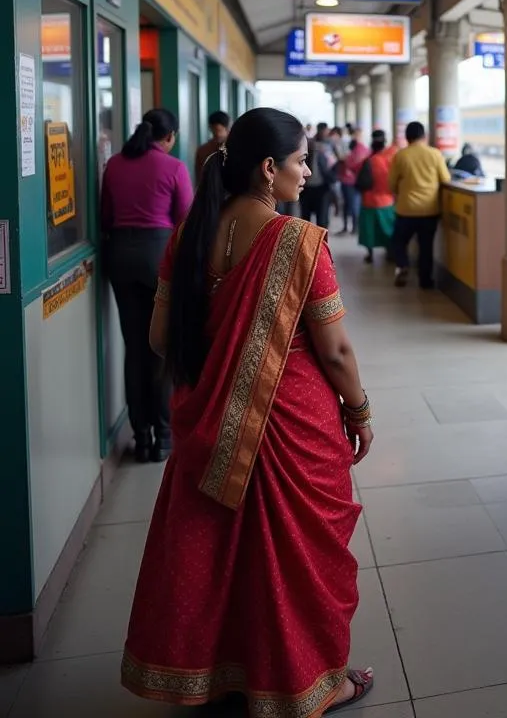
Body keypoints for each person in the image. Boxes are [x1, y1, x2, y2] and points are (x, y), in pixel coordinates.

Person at [121, 107, 375, 715]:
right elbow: (336, 349)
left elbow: (159, 339)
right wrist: (360, 411)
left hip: (206, 417)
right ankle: (312, 682)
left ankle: (221, 678)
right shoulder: (297, 241)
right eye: (300, 161)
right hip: (291, 427)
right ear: (269, 169)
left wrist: (225, 357)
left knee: (215, 555)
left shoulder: (186, 235)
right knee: (290, 561)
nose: (308, 173)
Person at [101, 108, 193, 463]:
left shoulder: (116, 165)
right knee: (162, 348)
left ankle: (140, 436)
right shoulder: (173, 167)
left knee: (134, 348)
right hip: (159, 257)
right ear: (169, 137)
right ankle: (165, 436)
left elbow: (106, 217)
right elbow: (186, 219)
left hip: (121, 256)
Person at [389, 121, 451, 289]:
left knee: (398, 242)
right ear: (424, 136)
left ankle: (402, 265)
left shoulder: (401, 155)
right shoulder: (435, 154)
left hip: (406, 209)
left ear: (407, 137)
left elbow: (392, 183)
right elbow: (446, 179)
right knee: (426, 247)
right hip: (429, 210)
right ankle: (425, 281)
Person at [357, 130, 397, 264]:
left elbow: (360, 181)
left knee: (369, 230)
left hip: (368, 201)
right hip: (386, 201)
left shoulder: (367, 161)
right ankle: (390, 252)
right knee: (387, 229)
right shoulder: (389, 160)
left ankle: (370, 254)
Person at [299, 122, 337, 232]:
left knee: (322, 220)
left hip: (323, 188)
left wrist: (332, 179)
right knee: (305, 219)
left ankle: (322, 246)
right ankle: (307, 245)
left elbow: (336, 163)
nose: (324, 133)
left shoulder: (329, 146)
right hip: (307, 188)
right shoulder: (308, 144)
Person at [340, 128, 371, 235]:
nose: (357, 137)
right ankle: (351, 227)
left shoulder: (360, 148)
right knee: (351, 205)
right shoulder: (361, 148)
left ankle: (352, 227)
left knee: (352, 205)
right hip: (350, 181)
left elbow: (349, 163)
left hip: (352, 181)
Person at [195, 111, 231, 180]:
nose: (217, 134)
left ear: (227, 128)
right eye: (214, 130)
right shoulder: (203, 150)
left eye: (219, 130)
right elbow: (199, 178)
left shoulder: (236, 148)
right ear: (210, 128)